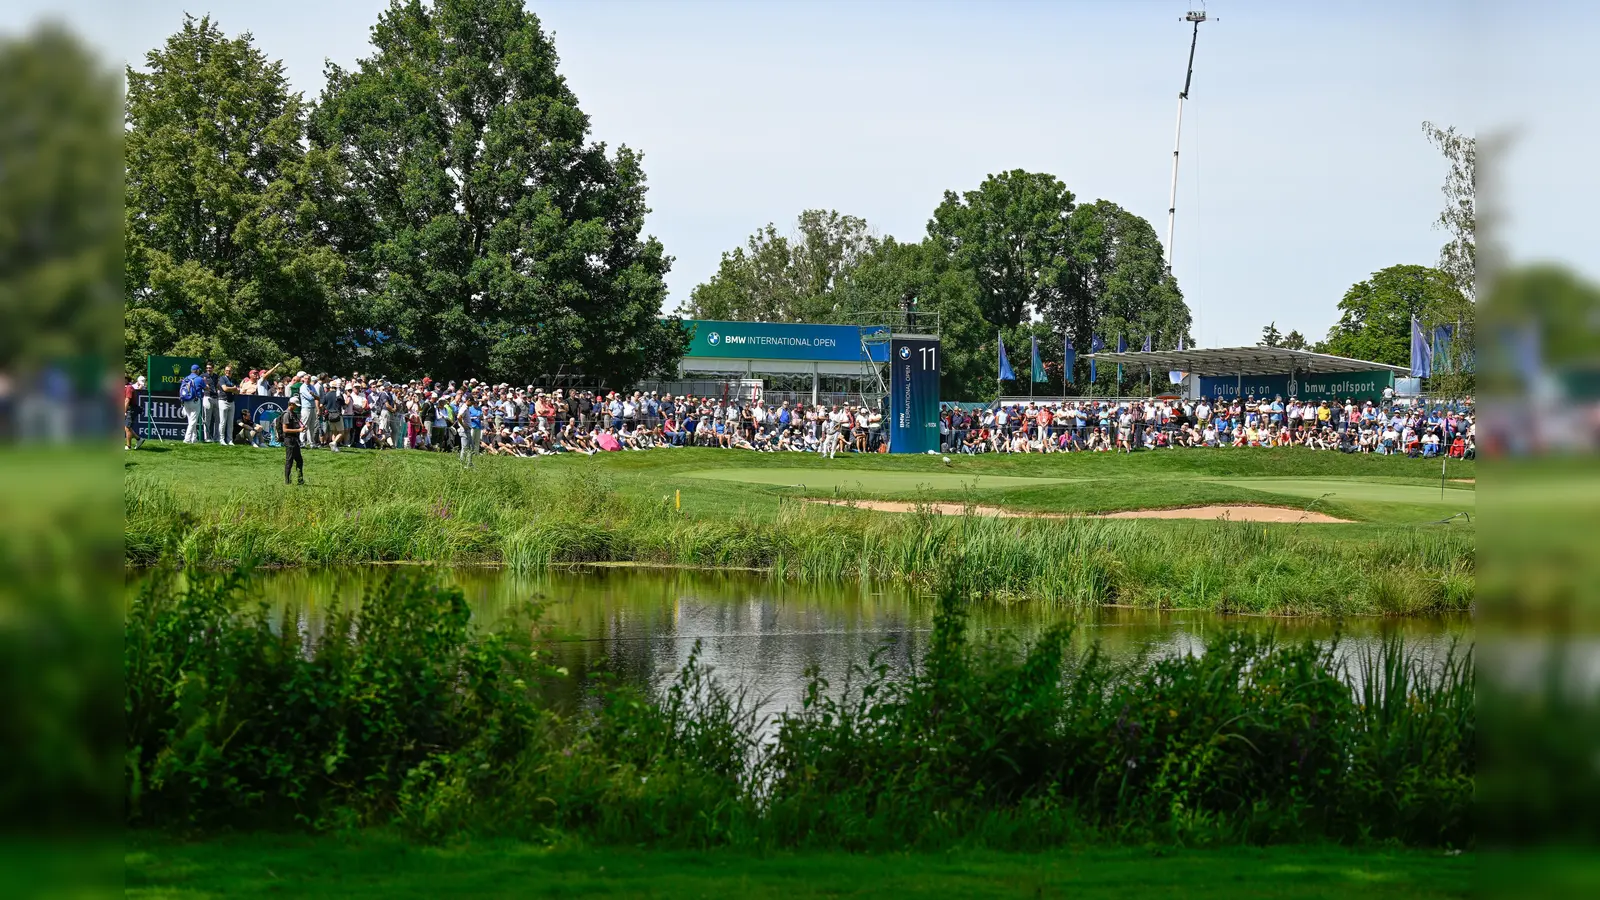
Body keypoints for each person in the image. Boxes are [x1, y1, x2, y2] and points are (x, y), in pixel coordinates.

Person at [178, 364, 205, 443]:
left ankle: (194, 439)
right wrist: (205, 382)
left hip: (186, 401)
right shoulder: (199, 379)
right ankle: (186, 439)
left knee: (191, 420)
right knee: (192, 421)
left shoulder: (186, 378)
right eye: (198, 370)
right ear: (197, 370)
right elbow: (206, 388)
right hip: (195, 401)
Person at [280, 402, 306, 485]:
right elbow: (285, 430)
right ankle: (287, 482)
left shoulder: (293, 414)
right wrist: (298, 430)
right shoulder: (286, 415)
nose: (296, 407)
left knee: (299, 460)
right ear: (291, 404)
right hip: (289, 439)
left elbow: (296, 425)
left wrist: (301, 428)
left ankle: (300, 480)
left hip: (295, 439)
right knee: (289, 461)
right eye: (295, 405)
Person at [216, 364, 238, 445]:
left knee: (230, 423)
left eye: (229, 371)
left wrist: (232, 389)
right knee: (223, 422)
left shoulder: (233, 380)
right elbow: (225, 388)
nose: (228, 372)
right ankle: (221, 439)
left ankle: (230, 440)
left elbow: (238, 391)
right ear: (224, 371)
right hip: (223, 401)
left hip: (231, 402)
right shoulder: (222, 378)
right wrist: (233, 389)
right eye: (226, 371)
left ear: (232, 372)